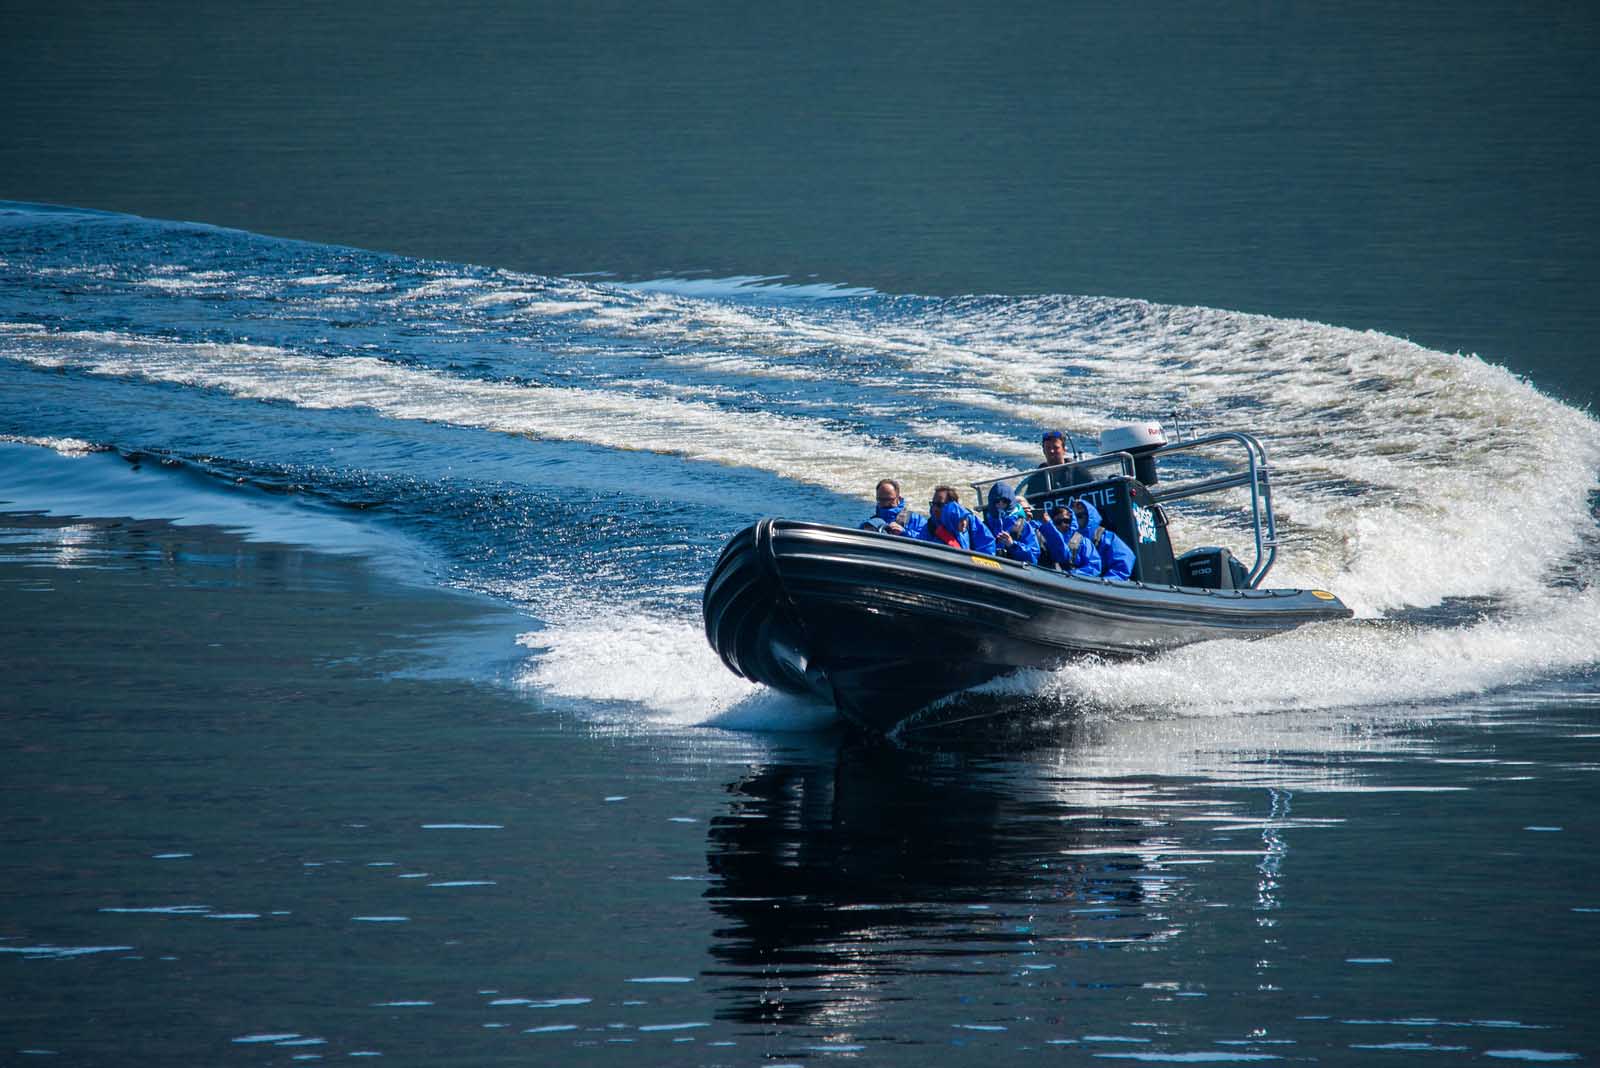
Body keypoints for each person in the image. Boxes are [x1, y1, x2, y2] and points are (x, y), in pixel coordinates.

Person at [1072, 497, 1136, 581]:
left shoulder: (1108, 538)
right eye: (1073, 516)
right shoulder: (1069, 538)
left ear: (1090, 517)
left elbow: (1124, 561)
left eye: (1079, 516)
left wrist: (1103, 584)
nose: (1076, 520)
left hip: (1104, 588)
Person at [918, 486, 997, 554]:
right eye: (933, 504)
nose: (934, 508)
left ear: (951, 505)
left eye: (939, 505)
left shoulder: (969, 521)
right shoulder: (931, 526)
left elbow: (987, 546)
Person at [1036, 504, 1103, 578]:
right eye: (1058, 521)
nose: (1062, 524)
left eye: (1066, 521)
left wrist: (1071, 575)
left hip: (1076, 582)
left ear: (1072, 521)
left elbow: (1094, 567)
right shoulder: (1043, 540)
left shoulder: (1084, 542)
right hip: (1049, 580)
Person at [982, 482, 1040, 564]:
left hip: (1017, 572)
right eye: (997, 501)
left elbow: (1033, 558)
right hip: (992, 570)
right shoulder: (985, 526)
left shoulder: (1023, 526)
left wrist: (1013, 545)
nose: (1000, 504)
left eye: (1004, 501)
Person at [859, 478, 926, 538]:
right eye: (881, 499)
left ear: (898, 498)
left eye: (889, 499)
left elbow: (927, 539)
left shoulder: (916, 520)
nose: (885, 503)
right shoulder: (869, 524)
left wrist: (905, 532)